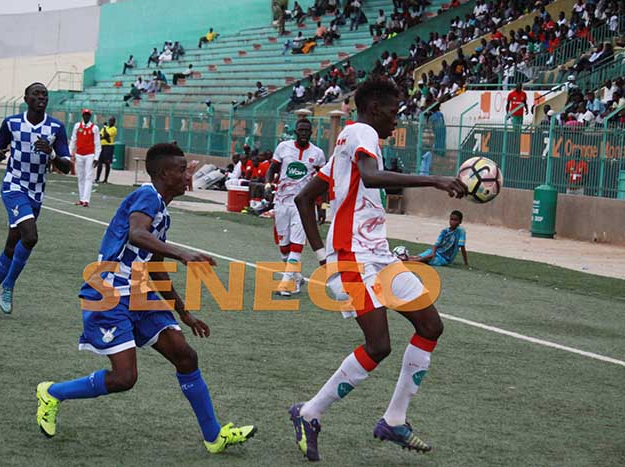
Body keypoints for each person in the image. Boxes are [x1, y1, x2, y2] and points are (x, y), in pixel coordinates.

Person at [35, 143, 257, 453]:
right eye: (181, 170)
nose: (187, 176)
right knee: (125, 378)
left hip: (140, 293)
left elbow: (153, 265)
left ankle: (214, 436)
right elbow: (136, 234)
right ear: (165, 173)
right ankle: (53, 392)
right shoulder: (146, 196)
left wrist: (184, 313)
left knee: (185, 356)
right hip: (110, 293)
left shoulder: (161, 211)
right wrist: (182, 253)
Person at [291, 77, 467, 461]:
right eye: (394, 112)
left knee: (430, 326)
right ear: (374, 109)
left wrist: (321, 256)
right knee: (379, 345)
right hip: (354, 258)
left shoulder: (346, 145)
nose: (396, 120)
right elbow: (371, 177)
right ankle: (309, 413)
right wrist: (435, 179)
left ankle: (395, 420)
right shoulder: (361, 132)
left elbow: (305, 198)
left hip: (378, 256)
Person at [0, 82, 71, 315]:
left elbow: (67, 166)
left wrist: (50, 153)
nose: (41, 97)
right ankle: (8, 286)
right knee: (30, 236)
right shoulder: (12, 123)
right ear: (26, 98)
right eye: (36, 94)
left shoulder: (56, 127)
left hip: (36, 192)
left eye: (45, 95)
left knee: (13, 244)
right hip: (14, 185)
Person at [265, 118, 326, 296]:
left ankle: (286, 284)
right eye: (301, 130)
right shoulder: (283, 148)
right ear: (296, 131)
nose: (304, 133)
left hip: (303, 205)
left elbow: (323, 182)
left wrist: (321, 206)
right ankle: (296, 277)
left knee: (296, 244)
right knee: (284, 246)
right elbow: (272, 169)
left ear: (311, 132)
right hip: (282, 202)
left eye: (307, 130)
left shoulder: (318, 153)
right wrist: (268, 186)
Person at [70, 109, 101, 207]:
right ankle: (81, 198)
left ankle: (86, 200)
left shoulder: (94, 128)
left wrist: (96, 157)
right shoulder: (77, 126)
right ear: (82, 116)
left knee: (88, 176)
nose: (86, 117)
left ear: (90, 116)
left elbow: (97, 143)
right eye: (85, 115)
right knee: (81, 177)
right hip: (79, 154)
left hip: (89, 155)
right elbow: (73, 140)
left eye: (88, 115)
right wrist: (70, 153)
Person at [97, 116, 117, 183]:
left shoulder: (114, 129)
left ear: (114, 122)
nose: (110, 122)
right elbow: (100, 135)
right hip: (102, 146)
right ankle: (97, 178)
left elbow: (106, 135)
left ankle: (105, 179)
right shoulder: (105, 128)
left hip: (109, 147)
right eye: (109, 120)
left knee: (107, 163)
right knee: (99, 162)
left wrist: (105, 130)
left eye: (111, 121)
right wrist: (104, 137)